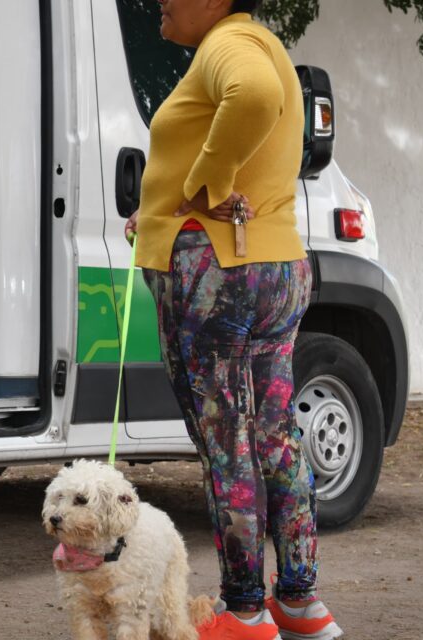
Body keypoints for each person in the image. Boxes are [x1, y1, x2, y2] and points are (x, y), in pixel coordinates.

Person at [125, 1, 344, 639]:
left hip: (215, 279)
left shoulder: (228, 45)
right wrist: (167, 209)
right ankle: (301, 603)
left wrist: (201, 189)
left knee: (228, 449)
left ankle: (244, 612)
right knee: (275, 439)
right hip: (275, 265)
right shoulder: (260, 41)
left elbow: (252, 96)